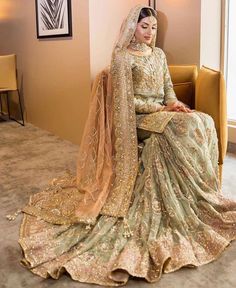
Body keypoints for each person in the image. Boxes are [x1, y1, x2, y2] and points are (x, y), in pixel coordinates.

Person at [17, 4, 236, 286]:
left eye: (154, 27)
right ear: (132, 27)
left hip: (161, 113)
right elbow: (124, 103)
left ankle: (201, 197)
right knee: (184, 129)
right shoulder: (122, 58)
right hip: (139, 121)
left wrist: (174, 103)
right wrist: (159, 108)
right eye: (144, 27)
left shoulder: (158, 55)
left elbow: (168, 87)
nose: (150, 32)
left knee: (201, 121)